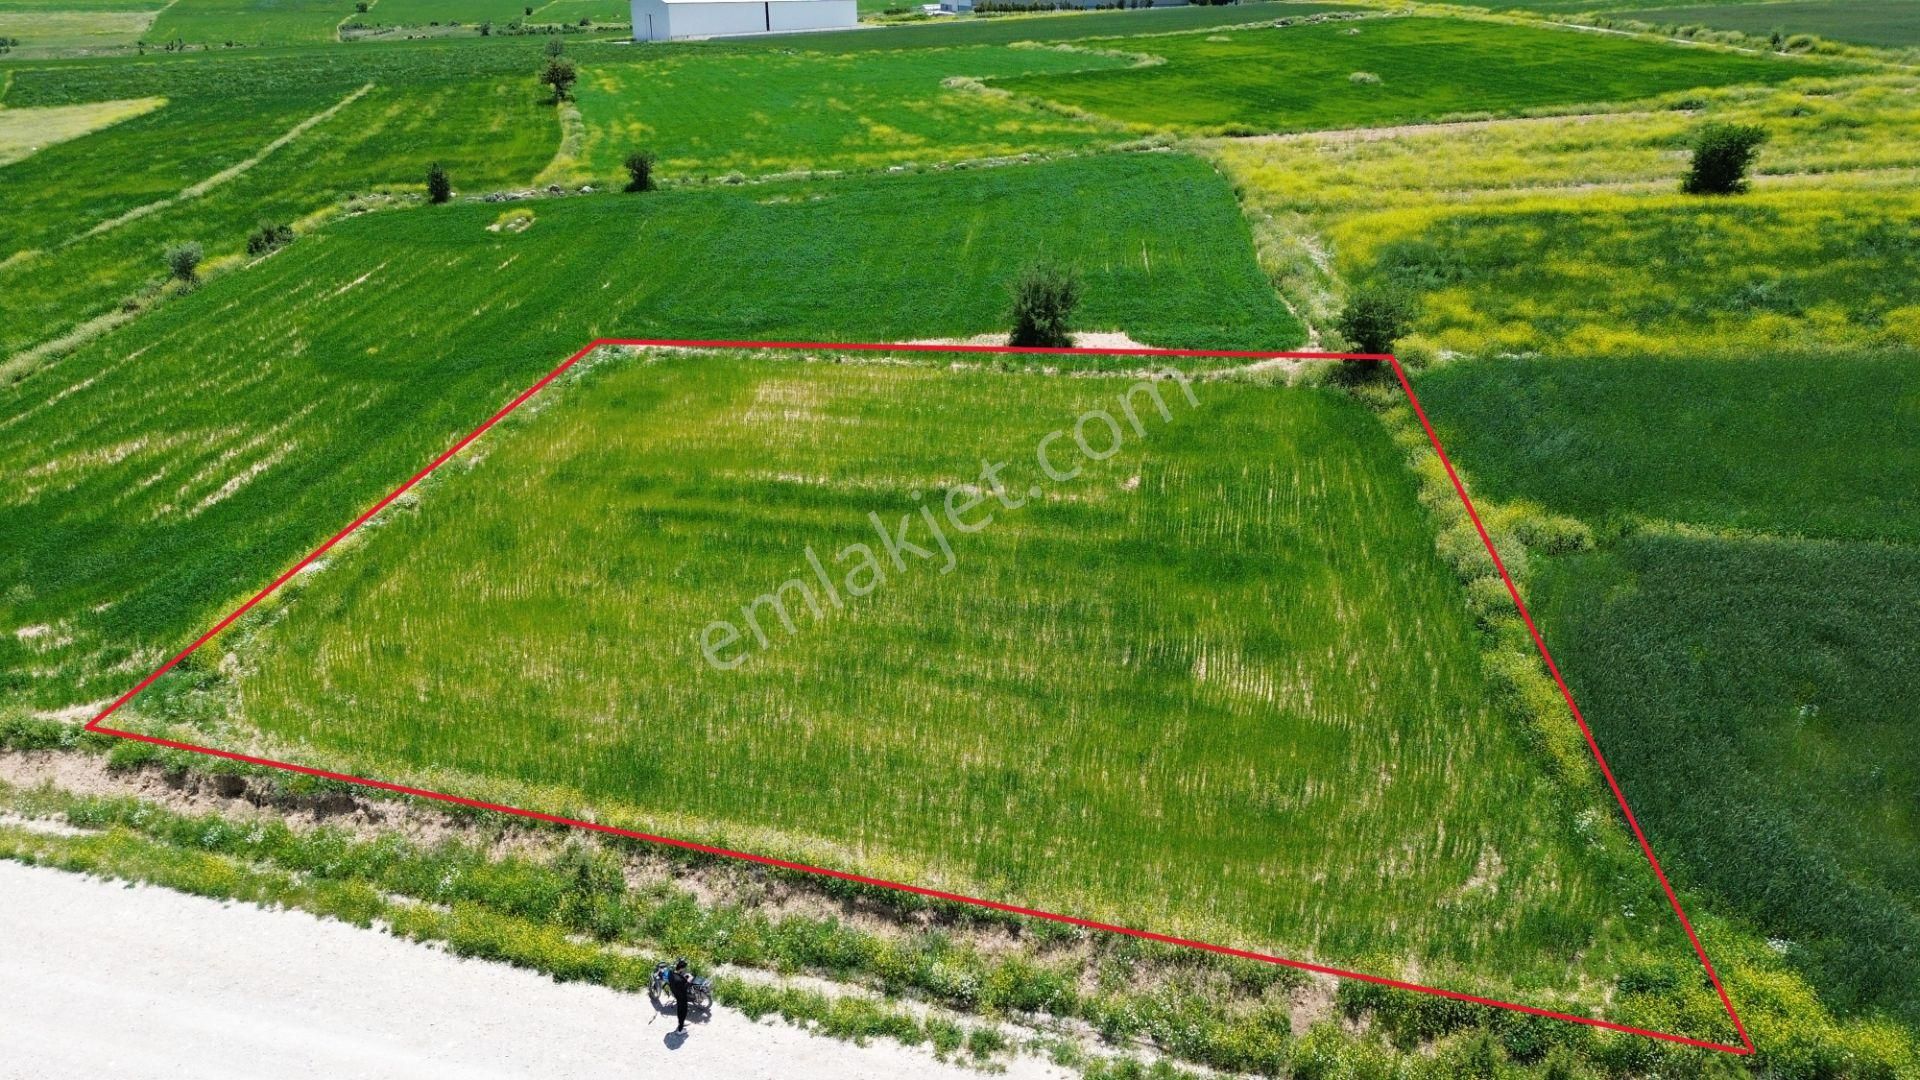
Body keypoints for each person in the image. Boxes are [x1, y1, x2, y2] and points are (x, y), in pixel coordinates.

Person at [667, 958, 694, 1033]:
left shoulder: (670, 973)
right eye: (684, 968)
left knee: (679, 1009)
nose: (685, 970)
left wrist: (682, 976)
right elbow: (685, 987)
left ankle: (681, 1023)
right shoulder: (679, 980)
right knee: (683, 1011)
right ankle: (680, 1030)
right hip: (682, 996)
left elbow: (677, 981)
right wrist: (689, 980)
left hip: (676, 994)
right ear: (681, 968)